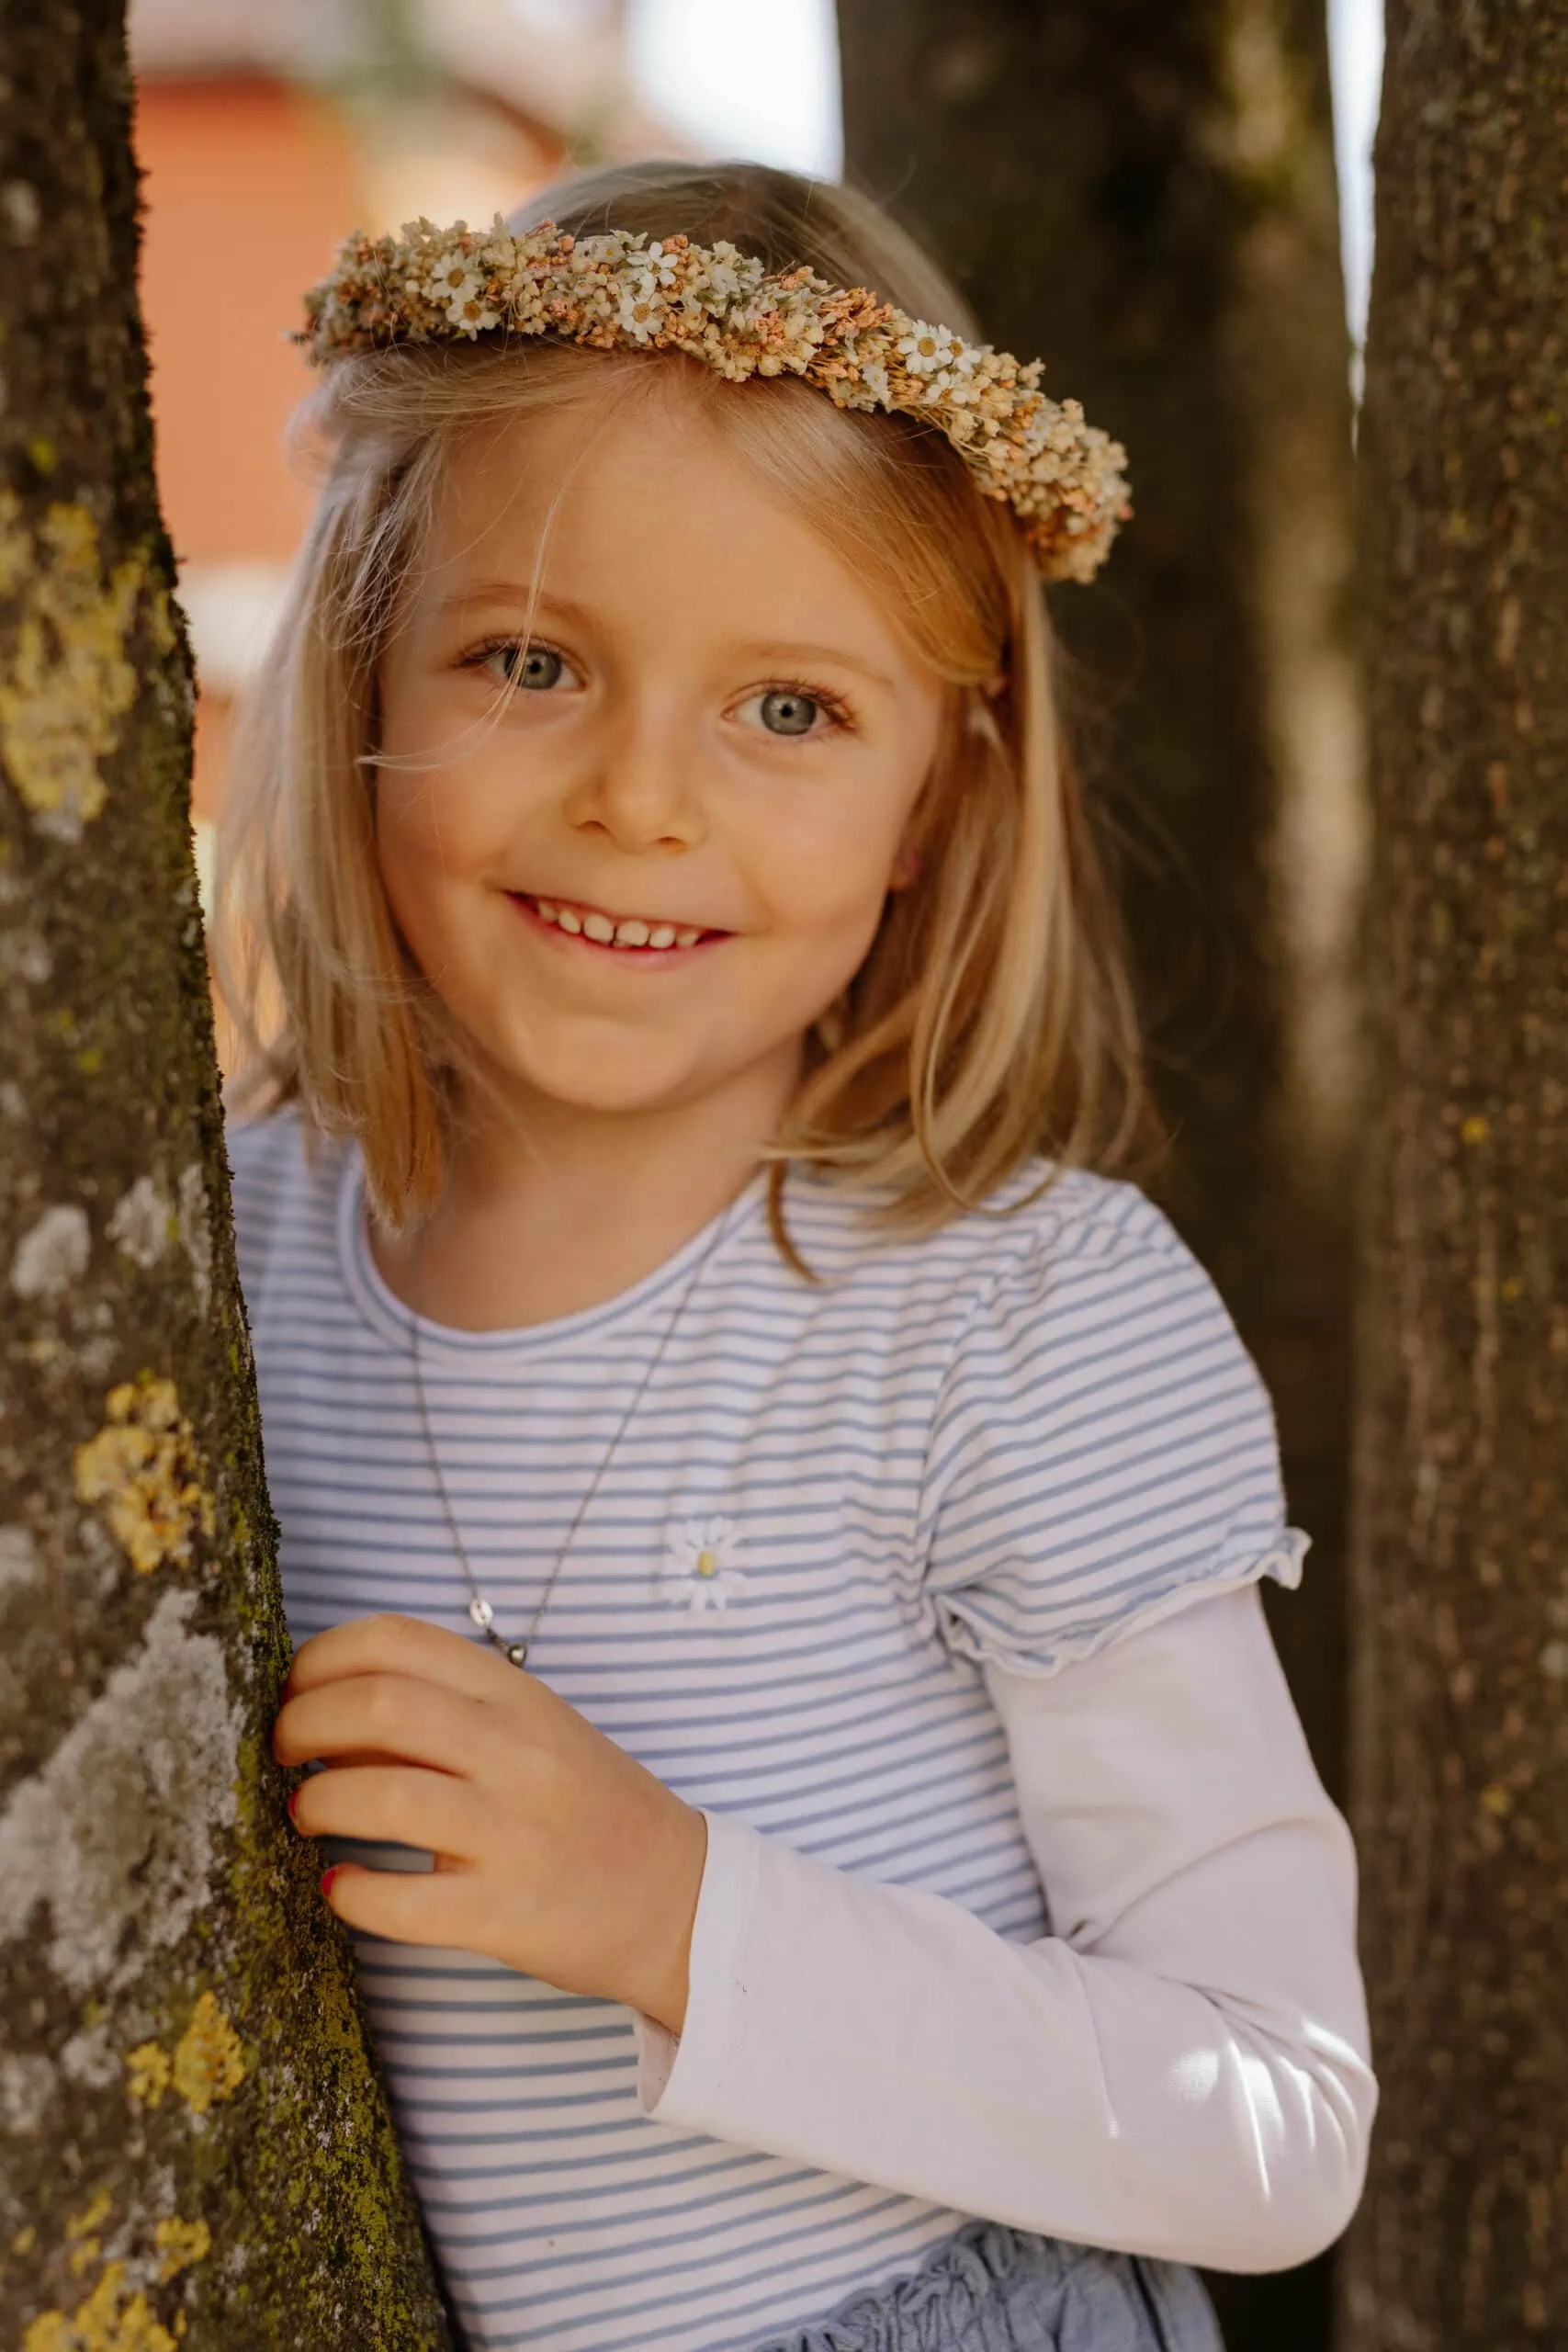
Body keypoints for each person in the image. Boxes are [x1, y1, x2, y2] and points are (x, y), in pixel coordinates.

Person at [219, 159, 1374, 2352]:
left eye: (790, 709)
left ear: (935, 796)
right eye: (532, 658)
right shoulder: (226, 1259)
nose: (643, 800)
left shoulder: (1017, 1312)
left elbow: (1276, 2115)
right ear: (368, 666)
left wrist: (681, 1913)